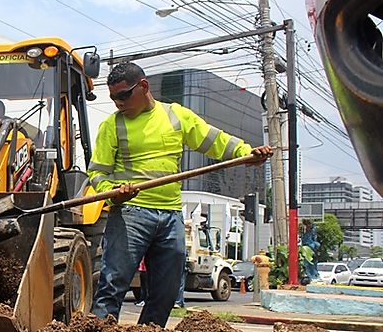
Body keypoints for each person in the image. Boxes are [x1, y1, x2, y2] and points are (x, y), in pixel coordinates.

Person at [88, 62, 271, 327]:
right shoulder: (112, 126)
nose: (118, 102)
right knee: (113, 284)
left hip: (171, 215)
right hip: (131, 214)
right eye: (114, 97)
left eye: (123, 95)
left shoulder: (175, 116)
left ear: (144, 87)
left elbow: (213, 140)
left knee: (166, 291)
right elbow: (97, 174)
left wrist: (246, 154)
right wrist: (112, 193)